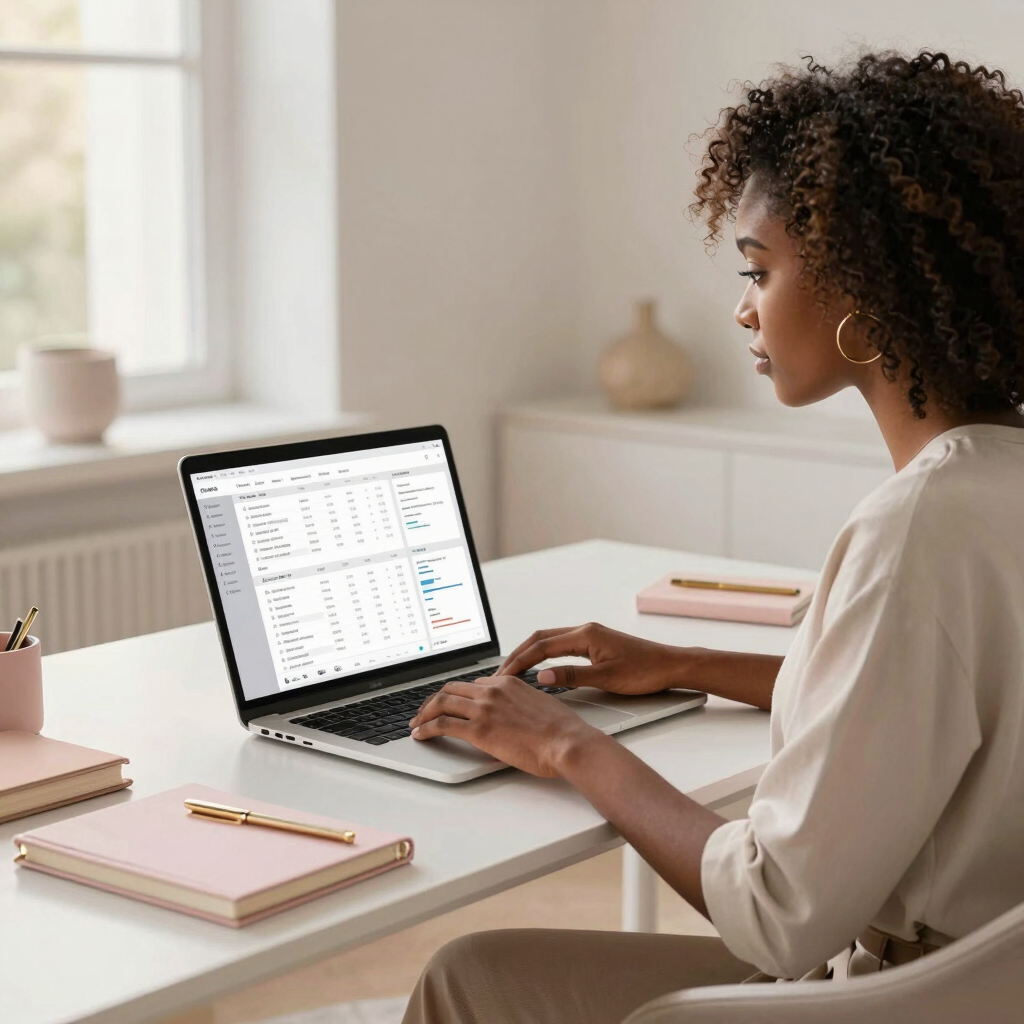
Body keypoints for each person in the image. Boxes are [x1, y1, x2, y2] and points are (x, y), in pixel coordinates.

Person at [400, 49, 1024, 1024]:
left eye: (759, 269)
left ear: (866, 289)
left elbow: (778, 915)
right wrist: (684, 660)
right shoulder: (996, 488)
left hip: (894, 998)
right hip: (986, 988)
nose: (742, 307)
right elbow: (930, 703)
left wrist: (569, 745)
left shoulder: (919, 529)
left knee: (465, 974)